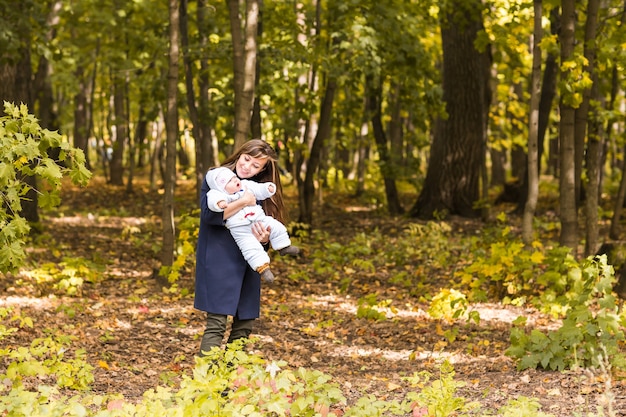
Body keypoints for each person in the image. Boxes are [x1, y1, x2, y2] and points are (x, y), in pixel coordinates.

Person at [194, 139, 294, 355]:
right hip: (218, 258)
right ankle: (205, 384)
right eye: (246, 159)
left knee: (244, 324)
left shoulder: (260, 189)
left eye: (255, 165)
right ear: (240, 154)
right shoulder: (218, 177)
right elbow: (210, 215)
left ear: (263, 169)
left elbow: (263, 226)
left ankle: (230, 383)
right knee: (217, 323)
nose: (247, 166)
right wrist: (243, 201)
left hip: (248, 262)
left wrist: (265, 239)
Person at [205, 166, 299, 283]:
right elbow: (212, 200)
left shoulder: (245, 186)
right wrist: (219, 203)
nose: (235, 180)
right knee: (250, 248)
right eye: (229, 181)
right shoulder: (219, 194)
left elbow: (258, 189)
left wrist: (268, 188)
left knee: (276, 226)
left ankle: (283, 246)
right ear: (221, 187)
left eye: (234, 178)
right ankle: (263, 269)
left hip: (259, 219)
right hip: (240, 228)